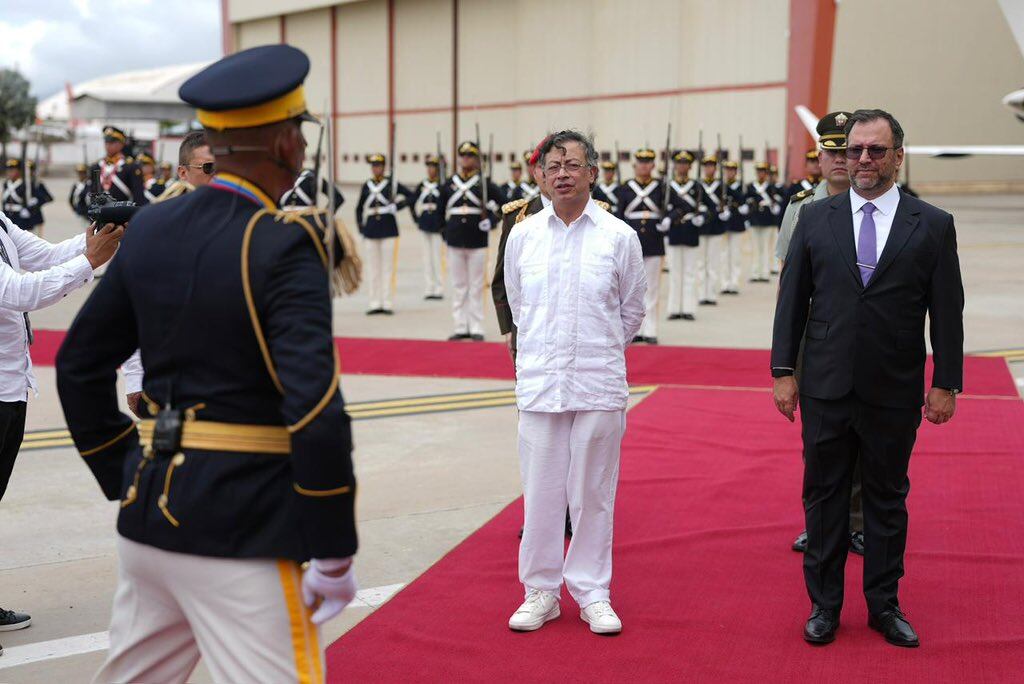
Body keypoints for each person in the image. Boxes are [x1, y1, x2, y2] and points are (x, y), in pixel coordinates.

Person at [55, 45, 360, 682]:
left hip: (149, 515)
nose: (304, 147)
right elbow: (315, 409)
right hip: (243, 528)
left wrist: (125, 473)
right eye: (299, 132)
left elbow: (79, 363)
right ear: (284, 143)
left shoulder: (153, 228)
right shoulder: (283, 242)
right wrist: (333, 548)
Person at [771, 109, 964, 648]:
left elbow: (947, 310)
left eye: (875, 150)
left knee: (886, 499)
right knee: (824, 497)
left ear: (897, 157)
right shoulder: (816, 218)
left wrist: (946, 381)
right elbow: (792, 303)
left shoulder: (932, 224)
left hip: (893, 388)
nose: (862, 159)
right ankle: (824, 606)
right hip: (825, 385)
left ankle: (884, 604)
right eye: (854, 150)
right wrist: (783, 371)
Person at [504, 130, 645, 635]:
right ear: (540, 176)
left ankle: (592, 591)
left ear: (593, 173)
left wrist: (597, 349)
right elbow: (519, 307)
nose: (562, 174)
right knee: (541, 491)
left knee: (593, 492)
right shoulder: (523, 236)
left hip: (598, 382)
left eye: (572, 165)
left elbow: (632, 310)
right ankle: (540, 591)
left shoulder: (619, 237)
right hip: (541, 383)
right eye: (553, 166)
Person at [0, 208, 124, 654]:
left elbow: (47, 254)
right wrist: (90, 261)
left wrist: (102, 233)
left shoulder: (0, 221)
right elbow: (18, 292)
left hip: (11, 385)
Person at [774, 112, 865, 557]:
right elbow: (788, 286)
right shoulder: (801, 207)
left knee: (864, 436)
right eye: (831, 152)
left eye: (846, 151)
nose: (840, 160)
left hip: (863, 336)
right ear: (820, 158)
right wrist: (784, 359)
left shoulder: (877, 206)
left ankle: (858, 522)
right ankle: (820, 523)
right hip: (815, 338)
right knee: (819, 439)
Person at [122, 131, 218, 418]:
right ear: (183, 173)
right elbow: (132, 310)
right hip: (173, 378)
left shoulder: (245, 224)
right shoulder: (156, 231)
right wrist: (135, 379)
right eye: (209, 168)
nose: (218, 176)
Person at [438, 141, 501, 341]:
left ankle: (476, 326)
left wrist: (491, 221)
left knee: (476, 286)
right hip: (455, 239)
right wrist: (444, 233)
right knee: (459, 286)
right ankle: (460, 325)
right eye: (463, 155)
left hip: (477, 240)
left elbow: (504, 204)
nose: (466, 159)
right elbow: (440, 211)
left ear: (476, 159)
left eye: (470, 156)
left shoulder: (484, 183)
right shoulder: (449, 183)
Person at [615, 148, 666, 344]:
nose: (644, 166)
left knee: (652, 287)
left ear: (653, 165)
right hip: (632, 242)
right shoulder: (625, 188)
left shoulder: (661, 187)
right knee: (632, 288)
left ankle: (651, 329)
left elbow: (676, 207)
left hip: (653, 240)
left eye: (648, 163)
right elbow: (619, 215)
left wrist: (669, 219)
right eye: (641, 162)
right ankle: (635, 330)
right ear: (635, 165)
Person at [355, 154, 411, 315]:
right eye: (373, 166)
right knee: (373, 268)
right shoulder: (367, 185)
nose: (375, 168)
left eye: (378, 165)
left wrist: (397, 206)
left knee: (387, 268)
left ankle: (387, 302)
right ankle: (374, 302)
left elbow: (412, 196)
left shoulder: (391, 184)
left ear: (383, 167)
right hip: (371, 228)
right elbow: (359, 208)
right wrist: (361, 228)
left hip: (388, 228)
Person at [664, 150, 704, 321]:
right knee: (675, 272)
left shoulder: (696, 186)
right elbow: (663, 206)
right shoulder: (668, 187)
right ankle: (674, 308)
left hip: (690, 231)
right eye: (679, 163)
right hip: (674, 230)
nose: (682, 166)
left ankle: (688, 308)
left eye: (685, 163)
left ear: (690, 166)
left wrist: (703, 217)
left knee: (690, 272)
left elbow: (708, 207)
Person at [412, 155, 445, 300]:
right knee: (427, 257)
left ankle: (439, 287)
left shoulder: (441, 185)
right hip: (425, 222)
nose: (430, 170)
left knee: (437, 257)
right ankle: (429, 287)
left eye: (433, 167)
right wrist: (416, 219)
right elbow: (412, 201)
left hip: (436, 224)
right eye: (429, 167)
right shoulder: (422, 185)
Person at [89, 126, 146, 205]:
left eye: (112, 142)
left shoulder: (131, 167)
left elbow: (138, 197)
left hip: (122, 211)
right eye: (106, 142)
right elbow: (93, 193)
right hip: (100, 211)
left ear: (121, 144)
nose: (108, 145)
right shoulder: (96, 166)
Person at [696, 155, 726, 306]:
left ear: (715, 168)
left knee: (713, 262)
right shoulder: (698, 185)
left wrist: (725, 211)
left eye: (711, 166)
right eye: (706, 166)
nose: (709, 169)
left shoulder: (721, 185)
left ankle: (711, 294)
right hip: (702, 227)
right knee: (701, 263)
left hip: (715, 227)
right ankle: (702, 294)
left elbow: (730, 201)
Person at [746, 162, 781, 282]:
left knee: (765, 247)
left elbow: (777, 201)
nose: (760, 174)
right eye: (759, 171)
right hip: (754, 219)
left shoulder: (771, 187)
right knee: (755, 248)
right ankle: (755, 273)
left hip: (767, 220)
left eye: (763, 171)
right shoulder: (751, 186)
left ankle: (765, 273)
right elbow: (747, 200)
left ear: (766, 173)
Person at [2, 160, 53, 233]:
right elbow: (5, 201)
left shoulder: (27, 184)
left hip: (21, 218)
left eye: (13, 170)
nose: (10, 172)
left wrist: (32, 207)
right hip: (8, 215)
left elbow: (44, 198)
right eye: (9, 170)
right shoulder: (6, 184)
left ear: (19, 171)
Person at [720, 160, 747, 295]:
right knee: (724, 254)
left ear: (735, 172)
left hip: (736, 223)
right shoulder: (722, 186)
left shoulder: (740, 186)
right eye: (727, 170)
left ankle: (734, 282)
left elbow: (743, 200)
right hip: (724, 223)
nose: (729, 172)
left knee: (735, 254)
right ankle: (724, 283)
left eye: (732, 170)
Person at [280, 166, 345, 212]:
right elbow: (338, 198)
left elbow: (337, 198)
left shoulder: (312, 177)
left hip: (305, 221)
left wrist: (324, 216)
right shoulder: (280, 177)